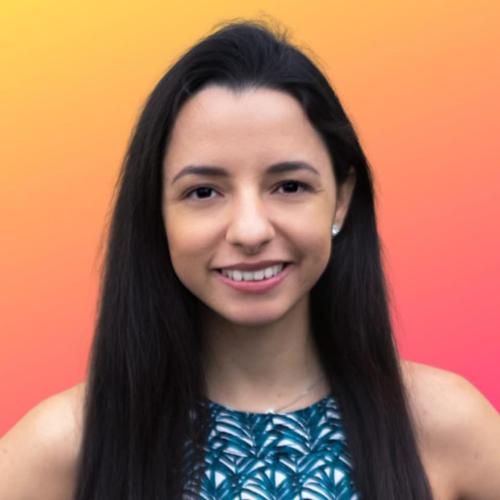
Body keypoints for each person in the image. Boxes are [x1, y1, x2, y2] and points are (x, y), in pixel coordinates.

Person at [1, 19, 499, 500]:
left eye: (289, 186)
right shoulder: (69, 445)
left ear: (341, 199)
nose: (250, 230)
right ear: (156, 211)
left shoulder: (441, 424)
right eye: (203, 192)